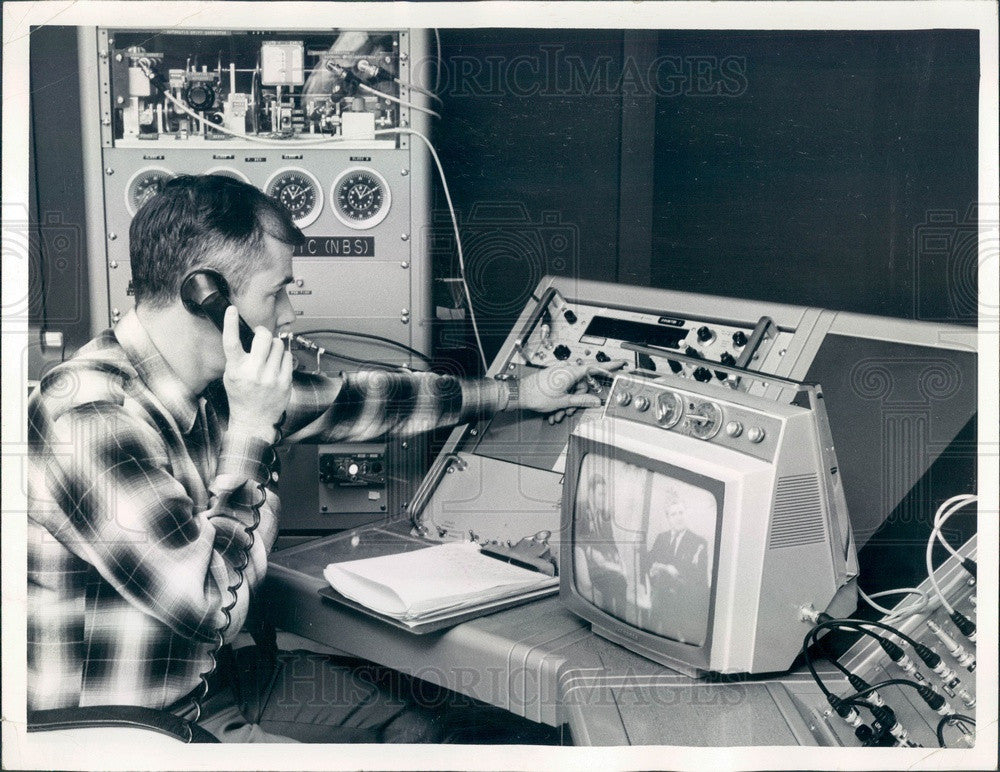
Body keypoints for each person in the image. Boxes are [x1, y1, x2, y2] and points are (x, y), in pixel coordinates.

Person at [26, 174, 621, 743]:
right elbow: (207, 608)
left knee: (429, 725)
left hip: (219, 684)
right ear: (206, 296)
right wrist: (253, 431)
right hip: (136, 730)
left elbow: (357, 399)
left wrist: (517, 392)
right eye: (276, 291)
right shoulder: (90, 415)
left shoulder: (213, 384)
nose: (288, 316)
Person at [639, 493, 710, 644]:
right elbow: (648, 561)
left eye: (681, 512)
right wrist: (652, 570)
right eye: (673, 514)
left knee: (668, 621)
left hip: (683, 598)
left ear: (686, 514)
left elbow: (699, 578)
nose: (678, 517)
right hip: (661, 594)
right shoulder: (661, 538)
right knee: (655, 614)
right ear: (668, 519)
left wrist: (674, 572)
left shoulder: (698, 542)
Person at [573, 472, 627, 617]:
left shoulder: (605, 515)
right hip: (587, 560)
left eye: (605, 494)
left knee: (621, 581)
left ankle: (619, 618)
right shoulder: (579, 508)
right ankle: (607, 617)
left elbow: (610, 540)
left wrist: (618, 556)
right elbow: (573, 536)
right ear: (591, 493)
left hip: (602, 563)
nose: (604, 498)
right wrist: (590, 551)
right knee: (612, 583)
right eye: (601, 494)